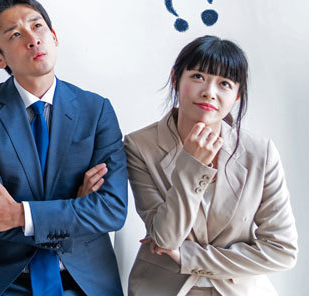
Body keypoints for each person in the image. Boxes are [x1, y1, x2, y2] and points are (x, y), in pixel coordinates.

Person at [0, 0, 128, 295]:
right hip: (5, 281)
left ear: (54, 36)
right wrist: (76, 207)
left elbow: (112, 210)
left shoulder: (96, 109)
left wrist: (21, 215)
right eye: (14, 34)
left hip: (84, 280)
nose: (32, 39)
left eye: (37, 26)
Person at [125, 35, 297, 295]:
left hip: (239, 289)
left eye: (224, 83)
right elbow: (166, 238)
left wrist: (190, 257)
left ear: (237, 96)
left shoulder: (260, 153)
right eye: (197, 77)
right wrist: (192, 163)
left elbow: (282, 250)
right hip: (163, 287)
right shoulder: (139, 145)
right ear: (175, 79)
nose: (209, 92)